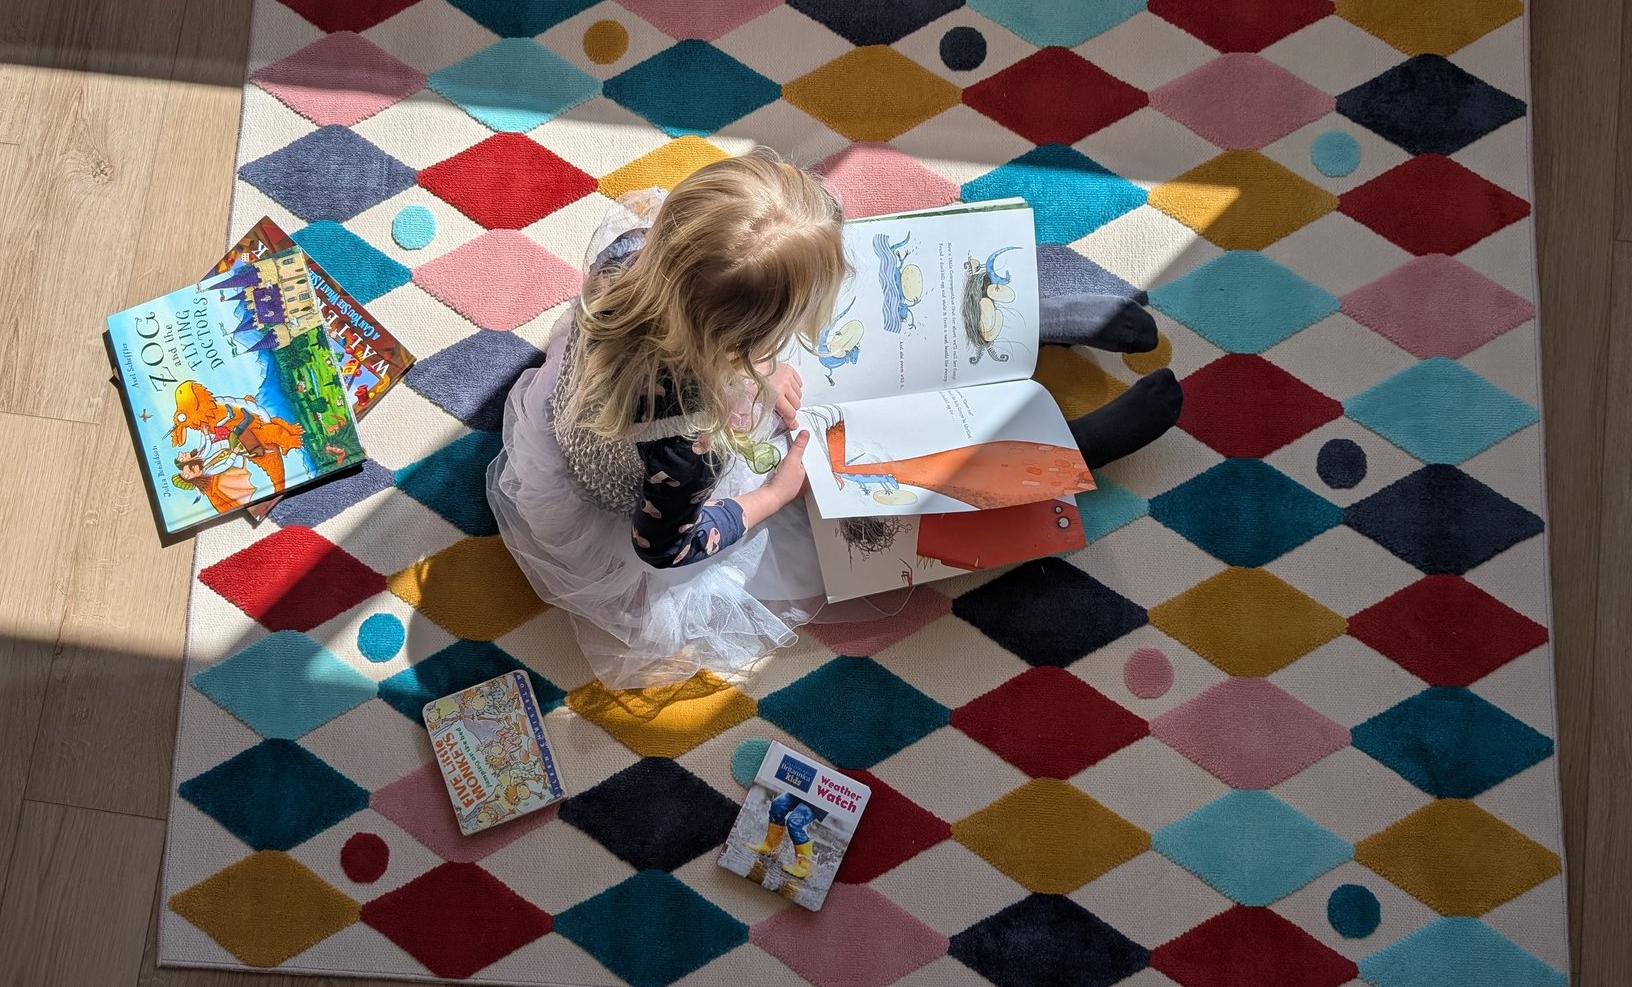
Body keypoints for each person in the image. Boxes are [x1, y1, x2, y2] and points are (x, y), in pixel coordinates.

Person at [486, 151, 1183, 689]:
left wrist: (755, 374)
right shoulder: (685, 450)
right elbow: (664, 549)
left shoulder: (629, 258)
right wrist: (771, 494)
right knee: (872, 497)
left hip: (680, 382)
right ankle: (1055, 453)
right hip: (651, 495)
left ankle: (1016, 329)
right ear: (736, 345)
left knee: (876, 326)